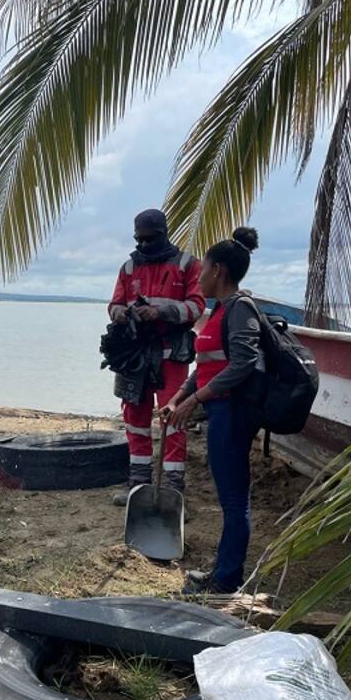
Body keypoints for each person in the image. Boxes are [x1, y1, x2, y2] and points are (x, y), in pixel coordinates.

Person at [162, 226, 262, 594]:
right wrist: (178, 397)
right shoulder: (218, 311)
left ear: (218, 270)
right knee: (228, 498)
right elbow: (205, 367)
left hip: (232, 412)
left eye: (202, 269)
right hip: (219, 411)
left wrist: (195, 400)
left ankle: (226, 580)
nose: (198, 276)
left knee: (234, 501)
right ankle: (223, 571)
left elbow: (243, 364)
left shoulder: (240, 309)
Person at [107, 209, 205, 505]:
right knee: (134, 419)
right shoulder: (128, 268)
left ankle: (172, 490)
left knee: (173, 418)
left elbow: (197, 306)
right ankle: (138, 485)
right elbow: (114, 304)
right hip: (135, 355)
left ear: (164, 234)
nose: (144, 245)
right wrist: (121, 313)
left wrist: (160, 312)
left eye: (150, 239)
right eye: (139, 240)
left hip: (171, 354)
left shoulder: (187, 264)